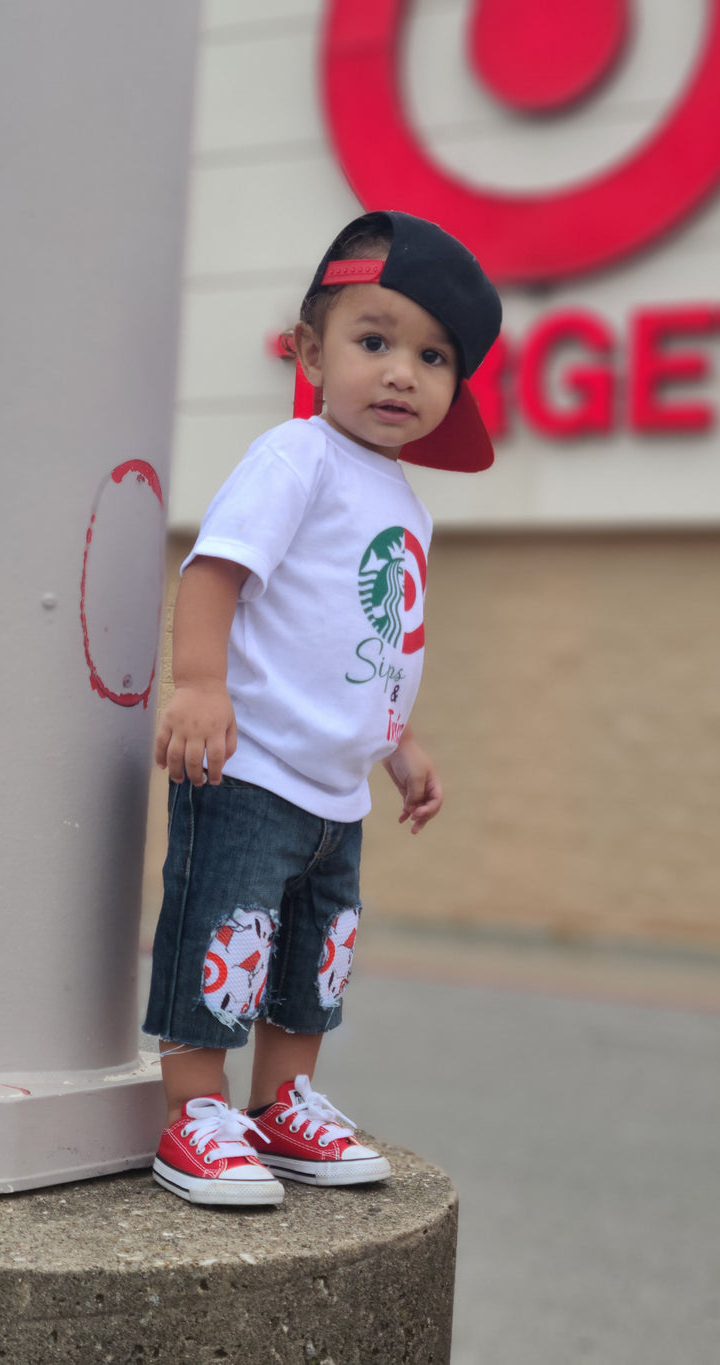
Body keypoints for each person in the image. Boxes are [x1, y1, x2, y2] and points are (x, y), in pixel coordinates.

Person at [144, 209, 502, 1205]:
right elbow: (215, 572)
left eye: (432, 357)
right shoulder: (293, 458)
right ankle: (194, 1111)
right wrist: (202, 685)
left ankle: (285, 1101)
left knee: (314, 953)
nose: (400, 373)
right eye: (374, 340)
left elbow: (373, 640)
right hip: (251, 766)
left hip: (337, 787)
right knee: (227, 934)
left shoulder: (402, 499)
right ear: (309, 349)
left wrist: (398, 744)